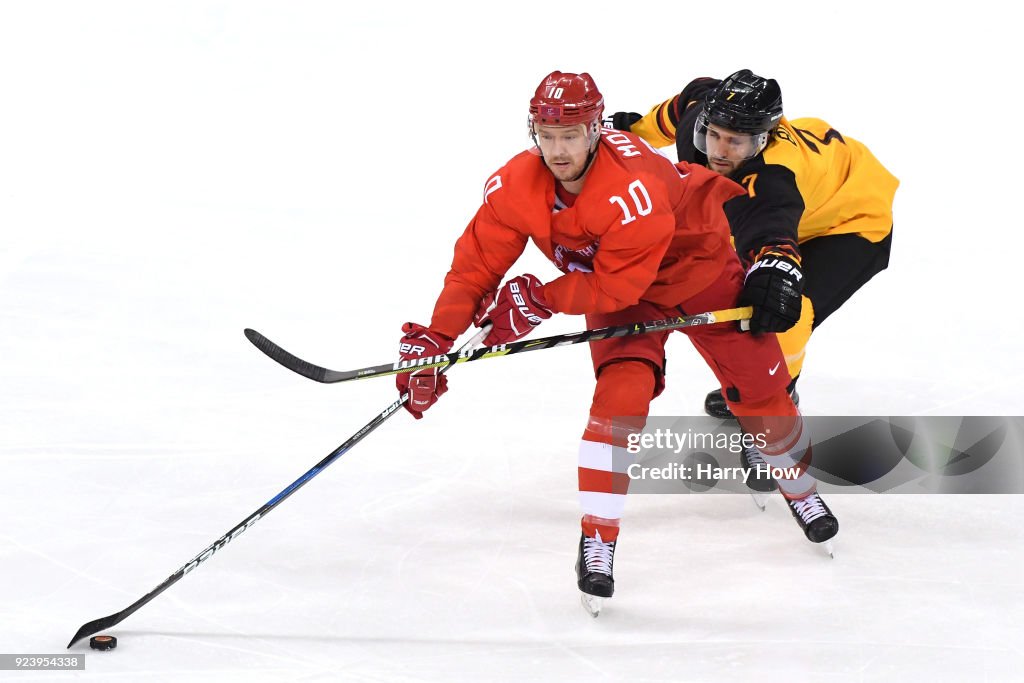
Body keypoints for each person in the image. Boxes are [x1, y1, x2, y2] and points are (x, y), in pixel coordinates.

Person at [396, 71, 837, 614]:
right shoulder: (513, 185)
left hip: (699, 274)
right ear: (532, 131)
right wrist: (437, 339)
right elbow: (474, 268)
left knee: (762, 393)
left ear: (596, 131)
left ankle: (799, 488)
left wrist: (541, 298)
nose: (559, 150)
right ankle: (599, 537)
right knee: (617, 402)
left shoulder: (633, 187)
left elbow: (616, 282)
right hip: (624, 294)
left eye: (573, 135)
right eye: (547, 135)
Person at [610, 69, 899, 424]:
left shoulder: (771, 177)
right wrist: (631, 135)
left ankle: (777, 404)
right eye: (713, 135)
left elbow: (770, 230)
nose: (718, 150)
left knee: (780, 316)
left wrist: (775, 267)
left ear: (763, 139)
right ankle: (762, 383)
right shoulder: (702, 118)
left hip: (849, 223)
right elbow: (685, 101)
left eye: (735, 142)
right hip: (814, 186)